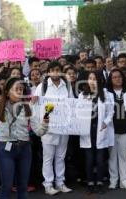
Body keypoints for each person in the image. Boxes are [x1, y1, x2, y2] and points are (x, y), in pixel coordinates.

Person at [0, 77, 50, 199]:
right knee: (6, 186)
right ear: (7, 91)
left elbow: (38, 132)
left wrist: (45, 123)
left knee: (23, 187)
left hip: (25, 149)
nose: (19, 92)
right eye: (16, 89)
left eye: (21, 89)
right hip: (5, 150)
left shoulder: (28, 107)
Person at [34, 61, 73, 196]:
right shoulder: (42, 87)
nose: (55, 72)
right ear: (49, 72)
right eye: (53, 70)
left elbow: (72, 103)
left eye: (58, 70)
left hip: (63, 127)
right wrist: (41, 124)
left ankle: (60, 182)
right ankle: (48, 184)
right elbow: (36, 106)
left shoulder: (66, 86)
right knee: (48, 157)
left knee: (61, 156)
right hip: (48, 128)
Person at [78, 71, 114, 195]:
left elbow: (111, 111)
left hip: (100, 129)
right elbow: (78, 112)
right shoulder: (82, 95)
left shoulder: (106, 94)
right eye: (90, 78)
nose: (92, 81)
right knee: (89, 159)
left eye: (94, 78)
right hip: (87, 130)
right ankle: (90, 183)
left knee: (99, 159)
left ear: (99, 80)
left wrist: (106, 122)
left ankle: (99, 182)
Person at [106, 68, 126, 190]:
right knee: (112, 156)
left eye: (119, 77)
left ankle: (124, 180)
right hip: (111, 130)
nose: (117, 79)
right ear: (110, 79)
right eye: (114, 77)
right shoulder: (107, 93)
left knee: (124, 156)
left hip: (125, 129)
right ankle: (113, 180)